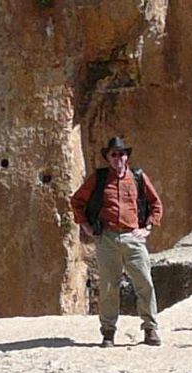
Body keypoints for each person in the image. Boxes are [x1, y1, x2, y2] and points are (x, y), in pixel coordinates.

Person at [70, 136, 164, 346]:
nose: (118, 158)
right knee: (108, 287)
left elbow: (155, 204)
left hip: (133, 237)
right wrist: (85, 225)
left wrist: (147, 228)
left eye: (121, 154)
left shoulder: (138, 177)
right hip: (108, 238)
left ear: (126, 156)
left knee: (144, 283)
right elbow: (77, 201)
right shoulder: (100, 178)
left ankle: (150, 329)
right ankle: (108, 332)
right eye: (114, 154)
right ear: (108, 157)